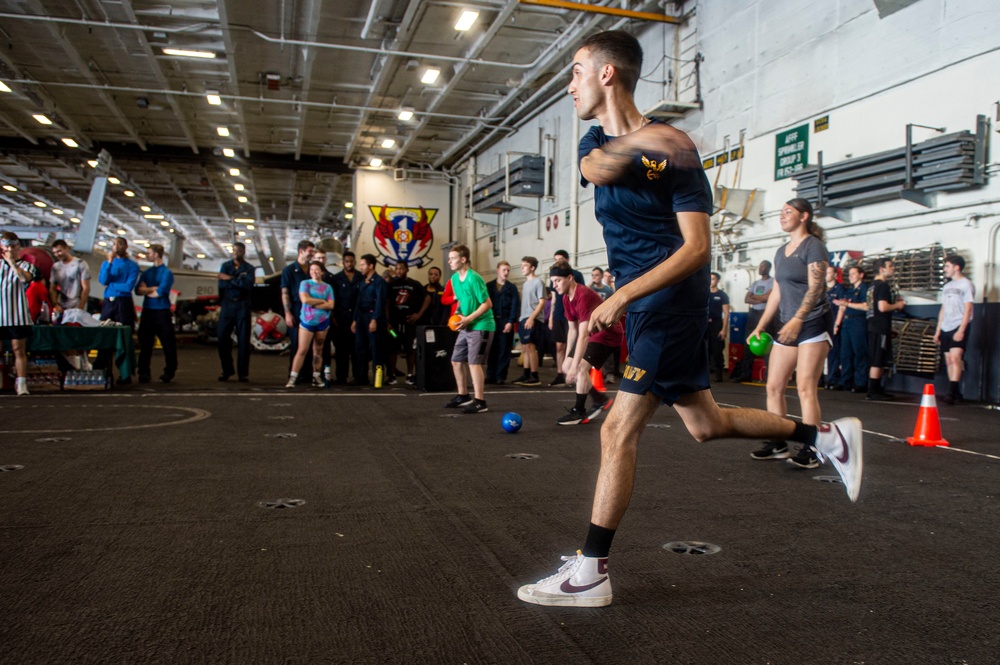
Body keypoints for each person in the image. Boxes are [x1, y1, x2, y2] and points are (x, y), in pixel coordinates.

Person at [516, 31, 862, 608]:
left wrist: (623, 296)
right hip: (647, 303)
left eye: (577, 71)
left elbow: (697, 248)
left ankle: (591, 571)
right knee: (705, 423)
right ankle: (826, 437)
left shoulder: (675, 150)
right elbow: (598, 168)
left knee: (615, 429)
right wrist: (649, 144)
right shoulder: (603, 140)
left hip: (669, 301)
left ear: (608, 73)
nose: (569, 84)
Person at [748, 199, 834, 468]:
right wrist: (761, 325)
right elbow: (777, 292)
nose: (782, 216)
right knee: (774, 386)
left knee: (806, 388)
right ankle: (778, 441)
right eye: (782, 212)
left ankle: (812, 448)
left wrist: (798, 319)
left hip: (812, 322)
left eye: (788, 212)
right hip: (786, 324)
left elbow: (816, 287)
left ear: (804, 216)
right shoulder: (781, 251)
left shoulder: (813, 246)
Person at [551, 265, 621, 425]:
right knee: (568, 367)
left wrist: (576, 365)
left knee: (580, 368)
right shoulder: (565, 298)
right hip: (591, 333)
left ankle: (579, 411)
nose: (554, 285)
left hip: (607, 334)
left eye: (558, 281)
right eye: (553, 281)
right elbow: (572, 331)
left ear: (570, 278)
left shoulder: (583, 295)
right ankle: (600, 399)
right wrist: (568, 362)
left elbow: (583, 335)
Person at [443, 245, 494, 414]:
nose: (449, 261)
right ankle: (463, 395)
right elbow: (461, 301)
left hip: (481, 325)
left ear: (463, 259)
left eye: (453, 258)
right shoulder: (454, 279)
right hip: (466, 324)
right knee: (456, 360)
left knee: (474, 363)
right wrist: (458, 314)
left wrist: (468, 319)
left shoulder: (474, 278)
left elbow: (487, 304)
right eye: (449, 258)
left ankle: (480, 401)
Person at [97, 237, 140, 384]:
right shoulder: (106, 264)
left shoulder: (133, 266)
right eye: (114, 244)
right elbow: (103, 280)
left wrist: (112, 286)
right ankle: (100, 369)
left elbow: (128, 287)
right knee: (104, 333)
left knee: (124, 336)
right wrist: (109, 263)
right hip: (109, 303)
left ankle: (125, 373)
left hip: (123, 303)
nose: (116, 247)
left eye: (120, 244)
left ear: (126, 246)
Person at [934, 254, 974, 405]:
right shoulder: (947, 287)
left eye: (947, 266)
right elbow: (943, 309)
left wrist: (961, 329)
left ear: (957, 267)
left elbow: (968, 308)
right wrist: (938, 330)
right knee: (949, 359)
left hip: (958, 324)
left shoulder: (966, 284)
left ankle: (952, 390)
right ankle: (956, 392)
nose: (945, 269)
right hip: (946, 326)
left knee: (956, 358)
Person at [286, 261, 334, 388]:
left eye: (317, 269)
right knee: (302, 350)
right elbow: (305, 299)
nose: (314, 272)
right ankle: (293, 377)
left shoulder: (327, 287)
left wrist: (314, 303)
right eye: (312, 269)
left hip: (323, 322)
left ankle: (316, 376)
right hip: (307, 321)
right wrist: (322, 301)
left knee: (318, 351)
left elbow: (331, 305)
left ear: (322, 272)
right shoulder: (305, 283)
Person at [134, 244, 177, 384]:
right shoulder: (147, 272)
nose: (147, 255)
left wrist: (146, 289)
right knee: (145, 344)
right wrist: (152, 288)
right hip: (148, 312)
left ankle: (169, 371)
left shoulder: (167, 273)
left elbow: (160, 293)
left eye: (149, 253)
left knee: (168, 344)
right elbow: (138, 291)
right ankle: (144, 372)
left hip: (162, 313)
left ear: (156, 255)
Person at [0, 232, 37, 395]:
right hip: (1, 313)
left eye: (12, 246)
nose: (9, 249)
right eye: (6, 246)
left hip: (17, 313)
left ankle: (21, 383)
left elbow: (24, 279)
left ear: (18, 247)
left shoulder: (27, 266)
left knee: (18, 348)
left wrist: (12, 263)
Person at [217, 241, 255, 382]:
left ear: (243, 252)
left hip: (243, 307)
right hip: (227, 306)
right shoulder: (225, 266)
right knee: (222, 338)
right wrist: (237, 280)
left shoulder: (249, 268)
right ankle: (227, 370)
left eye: (238, 250)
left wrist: (231, 278)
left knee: (244, 341)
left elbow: (248, 285)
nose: (235, 253)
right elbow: (221, 284)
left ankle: (243, 373)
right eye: (233, 250)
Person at [867, 258, 904, 401]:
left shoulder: (872, 286)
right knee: (878, 359)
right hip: (879, 327)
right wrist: (898, 305)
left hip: (875, 326)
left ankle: (877, 389)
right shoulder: (882, 286)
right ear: (882, 269)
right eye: (890, 266)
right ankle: (873, 390)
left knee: (880, 358)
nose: (893, 268)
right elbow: (883, 307)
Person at [547, 250, 585, 386]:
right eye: (555, 259)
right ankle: (562, 374)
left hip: (580, 318)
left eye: (560, 259)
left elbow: (581, 334)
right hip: (559, 314)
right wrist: (551, 317)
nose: (555, 284)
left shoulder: (578, 281)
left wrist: (572, 364)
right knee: (561, 347)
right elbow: (553, 299)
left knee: (578, 346)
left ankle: (574, 373)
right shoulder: (563, 296)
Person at [281, 240, 316, 384]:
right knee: (296, 344)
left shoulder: (312, 270)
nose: (312, 254)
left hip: (312, 310)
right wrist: (287, 313)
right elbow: (285, 292)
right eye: (310, 251)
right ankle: (295, 374)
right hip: (296, 310)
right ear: (301, 251)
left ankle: (308, 375)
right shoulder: (288, 271)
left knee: (310, 344)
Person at [387, 261, 427, 385]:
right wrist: (387, 322)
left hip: (409, 324)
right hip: (394, 325)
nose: (399, 271)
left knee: (410, 349)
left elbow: (428, 298)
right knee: (392, 348)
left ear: (407, 269)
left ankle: (410, 374)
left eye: (402, 268)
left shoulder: (414, 284)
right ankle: (392, 375)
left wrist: (419, 314)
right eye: (397, 268)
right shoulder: (391, 285)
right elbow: (386, 303)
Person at [352, 254, 388, 387]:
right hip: (361, 317)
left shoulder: (379, 282)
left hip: (374, 316)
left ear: (371, 265)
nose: (360, 267)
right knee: (360, 348)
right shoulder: (363, 282)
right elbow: (358, 301)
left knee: (376, 349)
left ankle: (378, 379)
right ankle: (361, 377)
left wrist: (374, 320)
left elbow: (380, 302)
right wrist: (355, 319)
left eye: (362, 265)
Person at [833, 265, 869, 392]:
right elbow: (842, 307)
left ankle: (860, 382)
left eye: (854, 273)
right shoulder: (849, 290)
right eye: (849, 274)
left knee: (859, 352)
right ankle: (845, 380)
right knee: (845, 353)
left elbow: (866, 306)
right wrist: (837, 324)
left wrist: (847, 304)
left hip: (858, 321)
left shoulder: (864, 288)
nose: (851, 276)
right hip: (847, 322)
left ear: (861, 274)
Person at [331, 250, 363, 385]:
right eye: (347, 261)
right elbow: (332, 298)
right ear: (343, 263)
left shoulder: (361, 277)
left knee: (357, 349)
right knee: (341, 351)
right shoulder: (336, 279)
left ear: (355, 262)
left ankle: (359, 377)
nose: (349, 263)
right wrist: (333, 316)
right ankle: (341, 377)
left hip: (357, 318)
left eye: (351, 261)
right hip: (341, 318)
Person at [512, 256, 546, 387]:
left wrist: (532, 317)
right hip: (524, 318)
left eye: (525, 266)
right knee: (525, 348)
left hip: (533, 319)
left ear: (532, 268)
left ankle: (535, 376)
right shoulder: (525, 284)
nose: (522, 268)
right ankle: (526, 374)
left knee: (531, 347)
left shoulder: (538, 282)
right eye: (522, 265)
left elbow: (542, 301)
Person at [486, 260, 520, 385]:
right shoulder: (489, 286)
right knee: (491, 350)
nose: (506, 273)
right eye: (504, 270)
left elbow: (515, 306)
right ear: (497, 271)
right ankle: (490, 375)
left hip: (505, 320)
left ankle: (500, 376)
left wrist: (511, 322)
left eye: (508, 270)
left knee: (504, 351)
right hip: (491, 321)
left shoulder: (511, 288)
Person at [313, 249, 338, 384]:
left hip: (326, 319)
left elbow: (333, 301)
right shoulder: (308, 280)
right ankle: (312, 374)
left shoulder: (331, 279)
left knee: (325, 347)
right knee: (312, 348)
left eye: (323, 258)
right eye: (318, 258)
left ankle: (326, 374)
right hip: (311, 319)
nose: (321, 260)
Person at [50, 239, 90, 316]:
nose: (57, 254)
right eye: (54, 252)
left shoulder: (80, 264)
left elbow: (86, 288)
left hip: (76, 304)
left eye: (59, 251)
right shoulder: (55, 267)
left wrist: (81, 306)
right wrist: (55, 304)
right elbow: (52, 288)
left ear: (66, 248)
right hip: (61, 306)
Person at [823, 266, 847, 390]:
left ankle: (833, 378)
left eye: (828, 273)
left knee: (834, 352)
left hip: (834, 324)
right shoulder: (823, 289)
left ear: (834, 274)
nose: (826, 275)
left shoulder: (840, 289)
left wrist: (836, 324)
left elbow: (841, 308)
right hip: (823, 324)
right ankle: (826, 377)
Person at [706, 271, 730, 382]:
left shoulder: (722, 295)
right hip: (705, 325)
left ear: (717, 281)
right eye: (710, 278)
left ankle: (719, 376)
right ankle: (704, 377)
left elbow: (726, 313)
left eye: (713, 279)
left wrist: (724, 329)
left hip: (716, 325)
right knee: (705, 351)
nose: (711, 281)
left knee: (717, 351)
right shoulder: (704, 294)